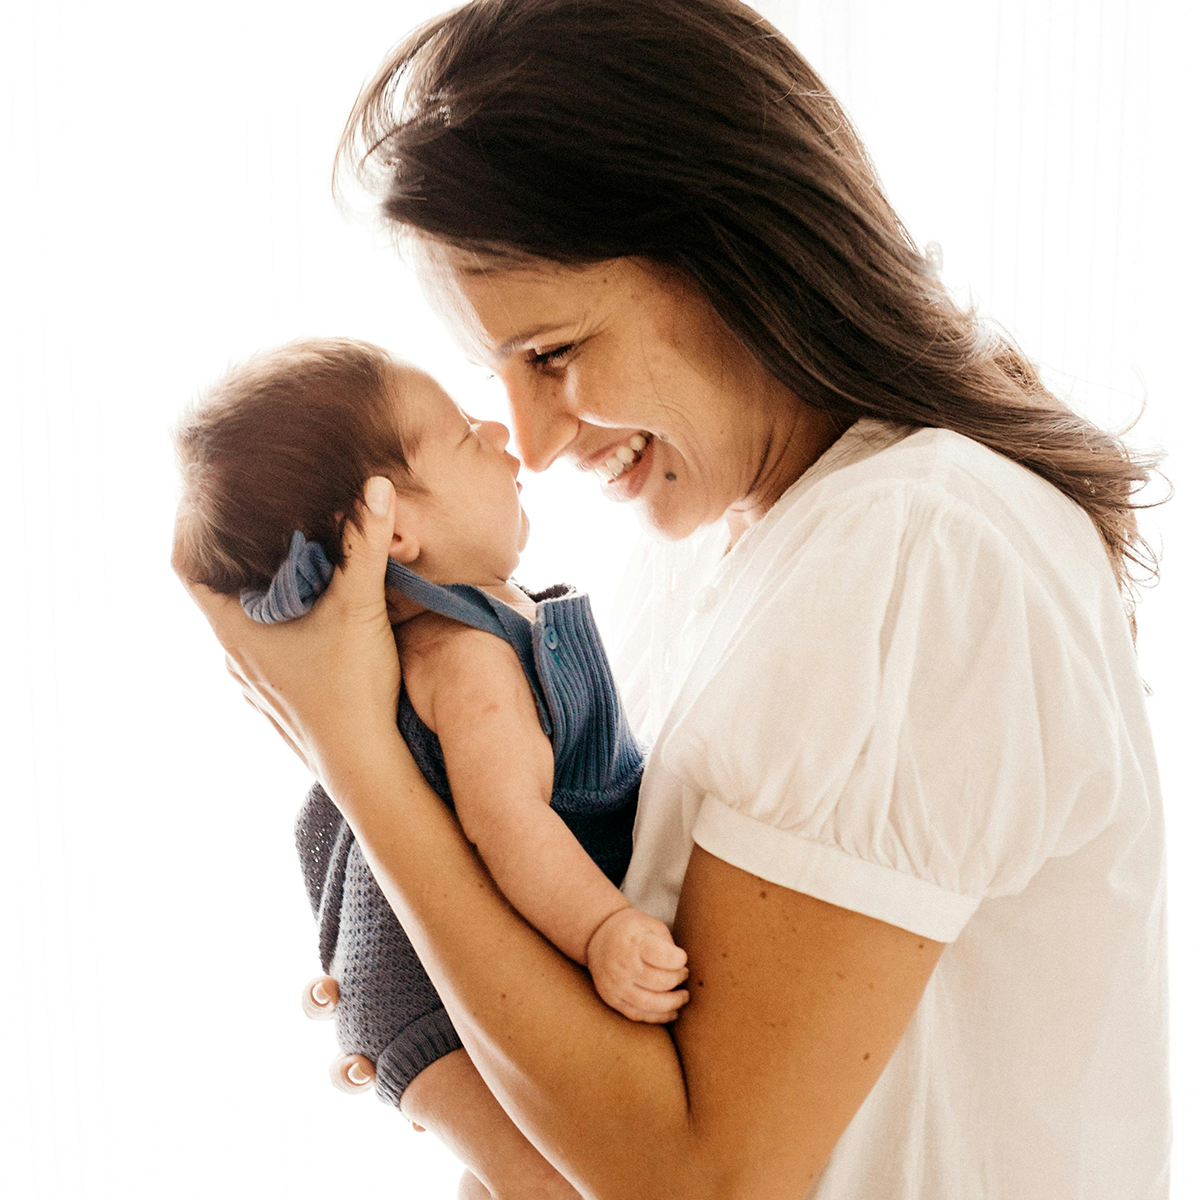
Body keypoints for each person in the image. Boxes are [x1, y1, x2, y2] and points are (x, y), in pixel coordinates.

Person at [175, 1, 1170, 1196]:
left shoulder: (918, 545)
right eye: (498, 373)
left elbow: (699, 1182)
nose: (534, 441)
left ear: (733, 254)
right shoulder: (711, 549)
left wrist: (352, 758)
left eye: (553, 353)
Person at [172, 337, 690, 1194]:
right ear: (394, 527)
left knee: (518, 1174)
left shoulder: (477, 626)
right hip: (427, 996)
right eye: (459, 432)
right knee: (559, 1181)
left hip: (417, 976)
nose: (497, 429)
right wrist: (601, 929)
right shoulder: (464, 656)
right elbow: (508, 822)